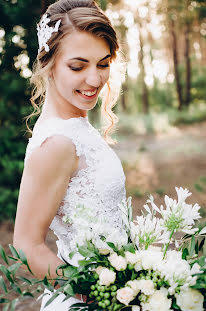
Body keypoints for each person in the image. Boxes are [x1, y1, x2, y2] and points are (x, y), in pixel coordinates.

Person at [13, 0, 126, 310]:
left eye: (103, 64)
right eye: (78, 66)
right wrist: (93, 296)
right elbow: (27, 244)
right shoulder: (58, 143)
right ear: (48, 63)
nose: (95, 80)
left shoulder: (77, 125)